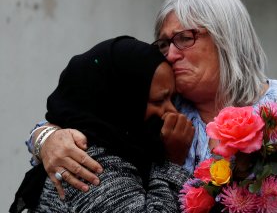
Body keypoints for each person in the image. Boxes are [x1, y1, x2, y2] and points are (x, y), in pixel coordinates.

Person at [23, 0, 277, 212]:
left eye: (184, 38)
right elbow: (87, 120)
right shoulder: (158, 111)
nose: (169, 54)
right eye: (163, 44)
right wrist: (46, 137)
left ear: (227, 39)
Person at [10, 36, 194, 212]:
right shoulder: (87, 164)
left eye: (172, 99)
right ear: (121, 101)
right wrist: (172, 163)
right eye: (158, 101)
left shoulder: (124, 144)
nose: (172, 112)